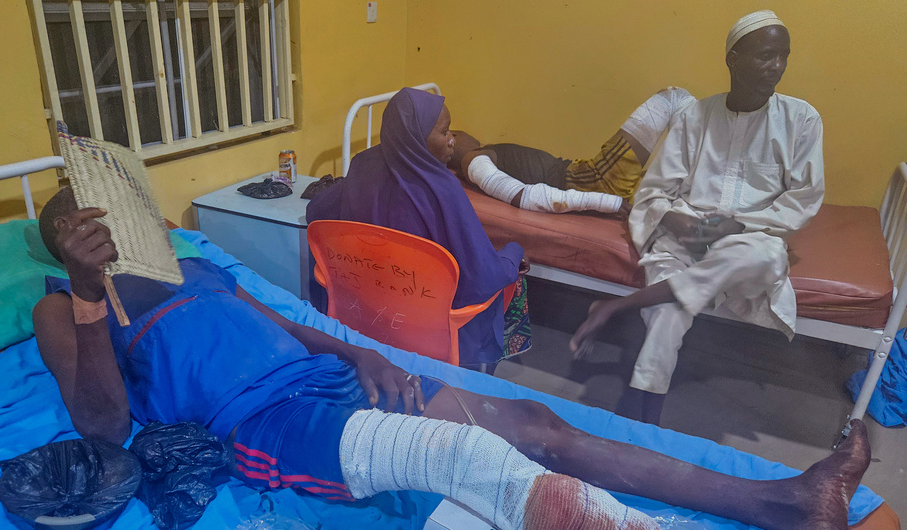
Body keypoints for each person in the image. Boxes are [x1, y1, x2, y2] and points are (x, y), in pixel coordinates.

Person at [33, 188, 905, 530]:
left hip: (328, 382)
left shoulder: (185, 262)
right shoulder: (63, 306)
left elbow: (289, 325)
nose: (107, 220)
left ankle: (789, 503)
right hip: (268, 427)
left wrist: (360, 355)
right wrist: (81, 287)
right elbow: (104, 423)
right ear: (66, 240)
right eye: (83, 219)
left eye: (109, 204)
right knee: (470, 457)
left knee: (534, 424)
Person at [569, 10, 824, 426]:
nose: (777, 66)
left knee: (766, 259)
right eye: (765, 55)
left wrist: (737, 225)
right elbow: (652, 192)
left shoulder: (802, 120)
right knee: (668, 314)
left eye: (783, 55)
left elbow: (804, 199)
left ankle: (621, 305)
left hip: (749, 238)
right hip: (688, 234)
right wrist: (674, 221)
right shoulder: (694, 117)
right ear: (733, 60)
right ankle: (645, 417)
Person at [306, 87, 529, 372]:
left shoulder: (362, 165)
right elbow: (482, 278)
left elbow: (317, 213)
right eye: (445, 132)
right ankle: (484, 375)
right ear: (415, 137)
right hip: (428, 325)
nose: (452, 141)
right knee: (514, 277)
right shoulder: (442, 188)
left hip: (367, 312)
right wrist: (513, 252)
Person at [448, 87, 696, 215]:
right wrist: (605, 201)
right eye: (446, 131)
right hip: (593, 181)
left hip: (588, 177)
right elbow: (523, 196)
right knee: (673, 98)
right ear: (453, 140)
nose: (456, 132)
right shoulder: (473, 160)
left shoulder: (481, 156)